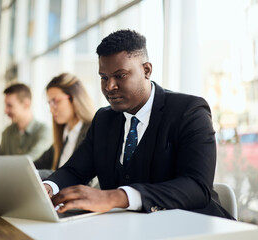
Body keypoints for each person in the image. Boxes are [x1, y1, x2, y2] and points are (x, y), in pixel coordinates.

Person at [44, 29, 234, 219]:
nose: (110, 86)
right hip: (128, 229)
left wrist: (117, 197)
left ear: (146, 70)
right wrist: (48, 188)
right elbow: (74, 171)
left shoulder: (189, 111)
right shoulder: (103, 119)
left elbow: (197, 187)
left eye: (120, 76)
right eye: (104, 78)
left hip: (194, 226)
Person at [34, 73, 95, 179]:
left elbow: (82, 177)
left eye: (55, 101)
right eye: (49, 103)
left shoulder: (93, 131)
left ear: (74, 98)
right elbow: (35, 165)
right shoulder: (64, 135)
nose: (51, 109)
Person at [0, 83, 52, 161]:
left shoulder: (44, 131)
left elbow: (31, 161)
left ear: (26, 104)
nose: (5, 111)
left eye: (10, 105)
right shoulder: (7, 132)